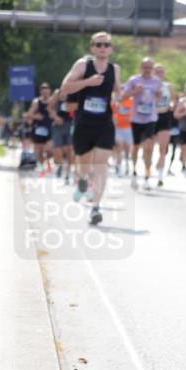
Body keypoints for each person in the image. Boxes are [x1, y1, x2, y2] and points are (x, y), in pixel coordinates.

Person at [61, 32, 121, 226]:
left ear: (111, 48)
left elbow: (117, 90)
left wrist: (119, 99)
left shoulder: (115, 69)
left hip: (104, 124)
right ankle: (82, 181)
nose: (103, 47)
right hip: (83, 124)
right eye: (99, 44)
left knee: (101, 165)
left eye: (106, 44)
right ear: (92, 48)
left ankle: (96, 207)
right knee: (84, 166)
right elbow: (65, 88)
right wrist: (87, 82)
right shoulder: (82, 65)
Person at [121, 57, 162, 190]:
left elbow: (158, 99)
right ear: (141, 67)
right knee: (136, 147)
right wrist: (134, 92)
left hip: (150, 117)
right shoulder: (134, 80)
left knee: (148, 147)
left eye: (150, 67)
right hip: (136, 118)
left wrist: (158, 96)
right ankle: (134, 172)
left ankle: (147, 175)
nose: (147, 70)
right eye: (145, 67)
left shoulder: (157, 81)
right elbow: (123, 97)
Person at [153, 63, 176, 187]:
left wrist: (171, 105)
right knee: (149, 147)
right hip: (151, 117)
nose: (159, 73)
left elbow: (173, 100)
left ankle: (160, 176)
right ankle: (147, 169)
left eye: (161, 71)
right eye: (157, 71)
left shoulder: (169, 86)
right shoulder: (149, 85)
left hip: (164, 116)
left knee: (163, 148)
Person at [47, 87, 75, 181]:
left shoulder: (76, 91)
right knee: (58, 149)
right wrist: (56, 117)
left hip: (71, 124)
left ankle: (68, 173)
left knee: (70, 150)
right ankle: (60, 165)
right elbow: (49, 107)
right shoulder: (58, 92)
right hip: (58, 125)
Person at [25, 82, 54, 169]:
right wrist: (35, 116)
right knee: (39, 151)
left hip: (51, 128)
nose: (45, 92)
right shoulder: (36, 102)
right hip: (39, 128)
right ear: (40, 92)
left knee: (50, 149)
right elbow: (28, 115)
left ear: (50, 91)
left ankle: (46, 161)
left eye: (46, 90)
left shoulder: (54, 100)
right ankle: (42, 167)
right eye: (43, 91)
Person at [112, 93, 133, 175]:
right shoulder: (115, 103)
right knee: (119, 147)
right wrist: (113, 120)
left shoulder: (131, 101)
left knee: (127, 149)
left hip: (128, 128)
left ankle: (127, 164)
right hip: (118, 129)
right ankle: (119, 166)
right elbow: (111, 113)